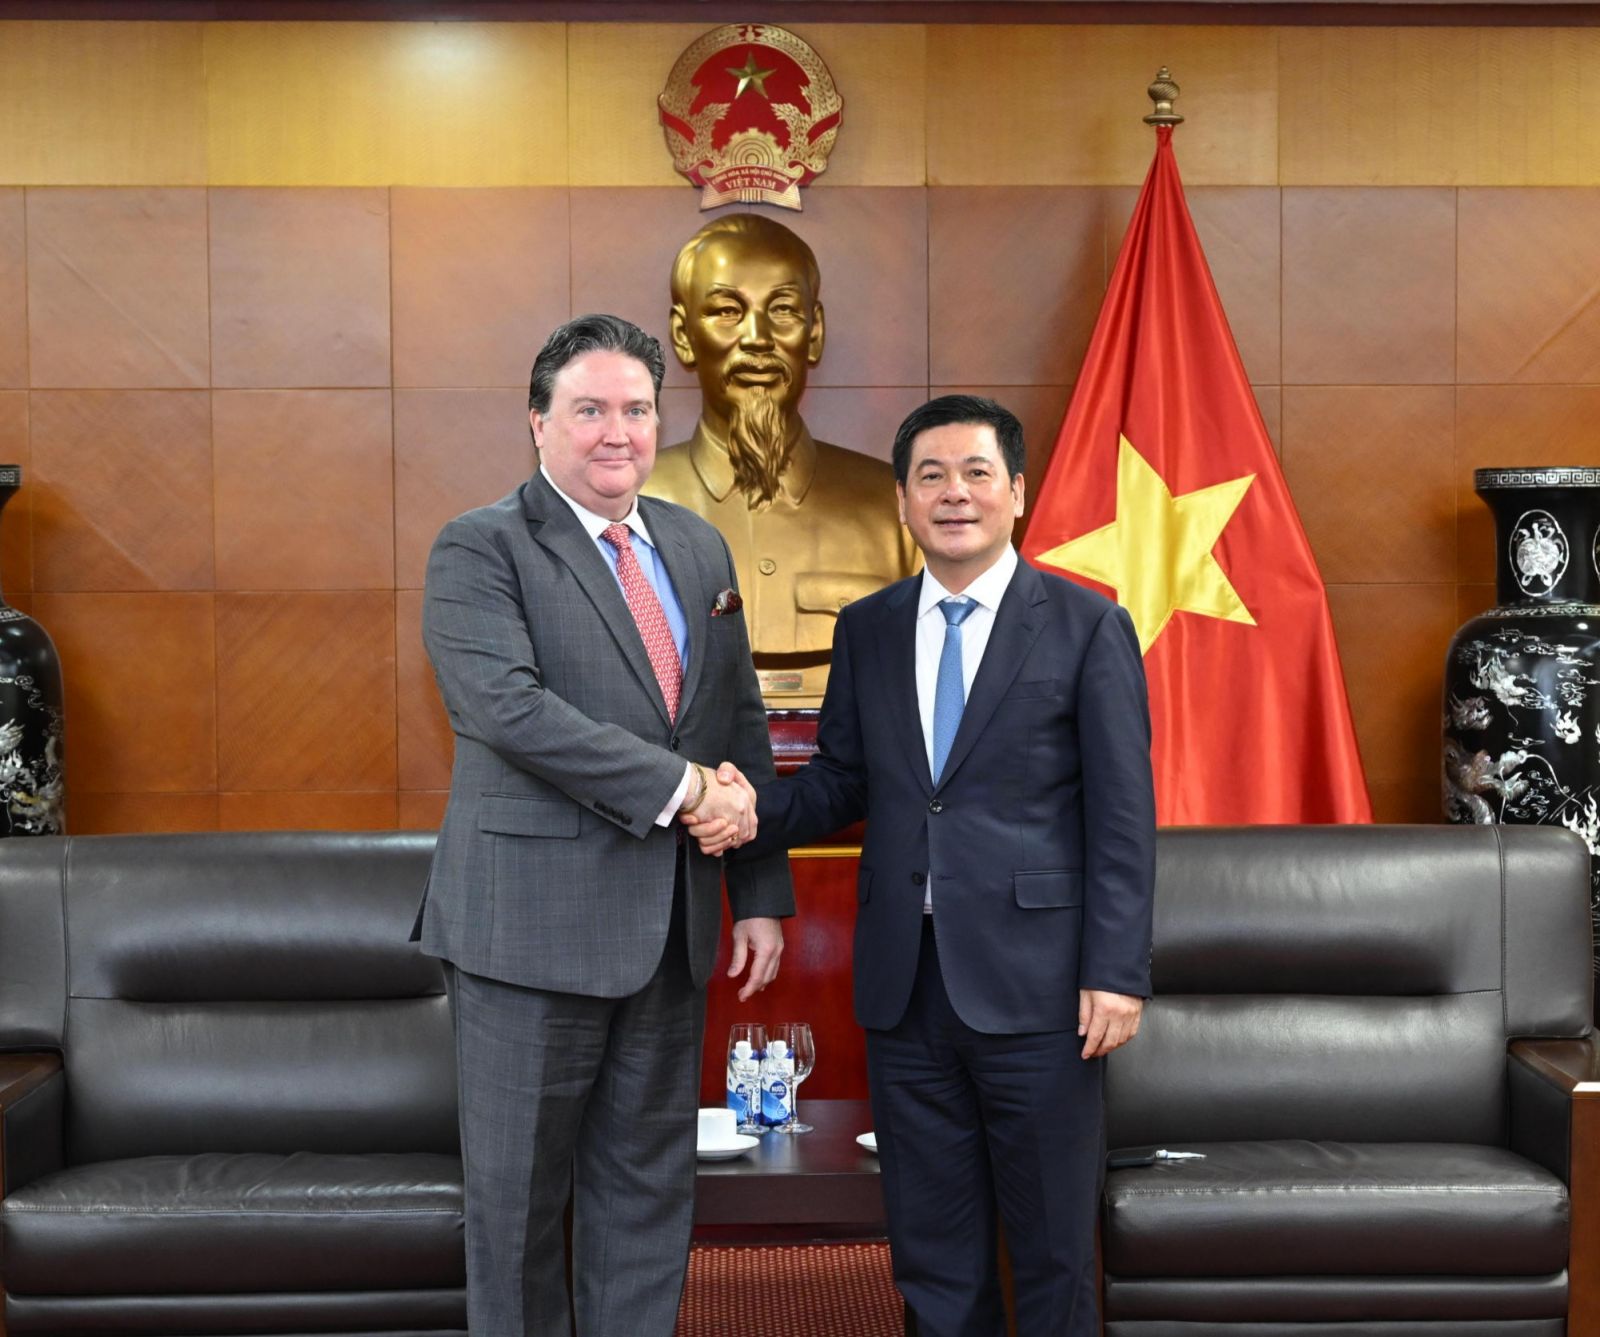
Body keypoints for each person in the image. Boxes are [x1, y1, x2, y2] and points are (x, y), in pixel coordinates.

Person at [694, 395, 1156, 1335]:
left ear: (1016, 492)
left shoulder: (1086, 624)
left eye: (977, 473)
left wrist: (1116, 970)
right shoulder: (869, 626)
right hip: (905, 985)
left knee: (1053, 1250)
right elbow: (841, 782)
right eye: (931, 476)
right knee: (933, 1252)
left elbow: (1122, 816)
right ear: (902, 499)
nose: (955, 494)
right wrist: (737, 811)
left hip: (1043, 990)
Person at [413, 313, 794, 1336]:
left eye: (636, 409)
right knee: (519, 1214)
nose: (616, 431)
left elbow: (736, 720)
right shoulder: (481, 545)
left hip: (671, 930)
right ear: (539, 423)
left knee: (646, 1199)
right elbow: (510, 712)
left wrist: (757, 888)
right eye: (589, 410)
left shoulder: (696, 543)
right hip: (529, 937)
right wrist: (688, 790)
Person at [643, 212, 918, 705]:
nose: (757, 337)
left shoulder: (897, 513)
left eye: (783, 309)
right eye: (727, 310)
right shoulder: (626, 511)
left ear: (814, 332)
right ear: (683, 335)